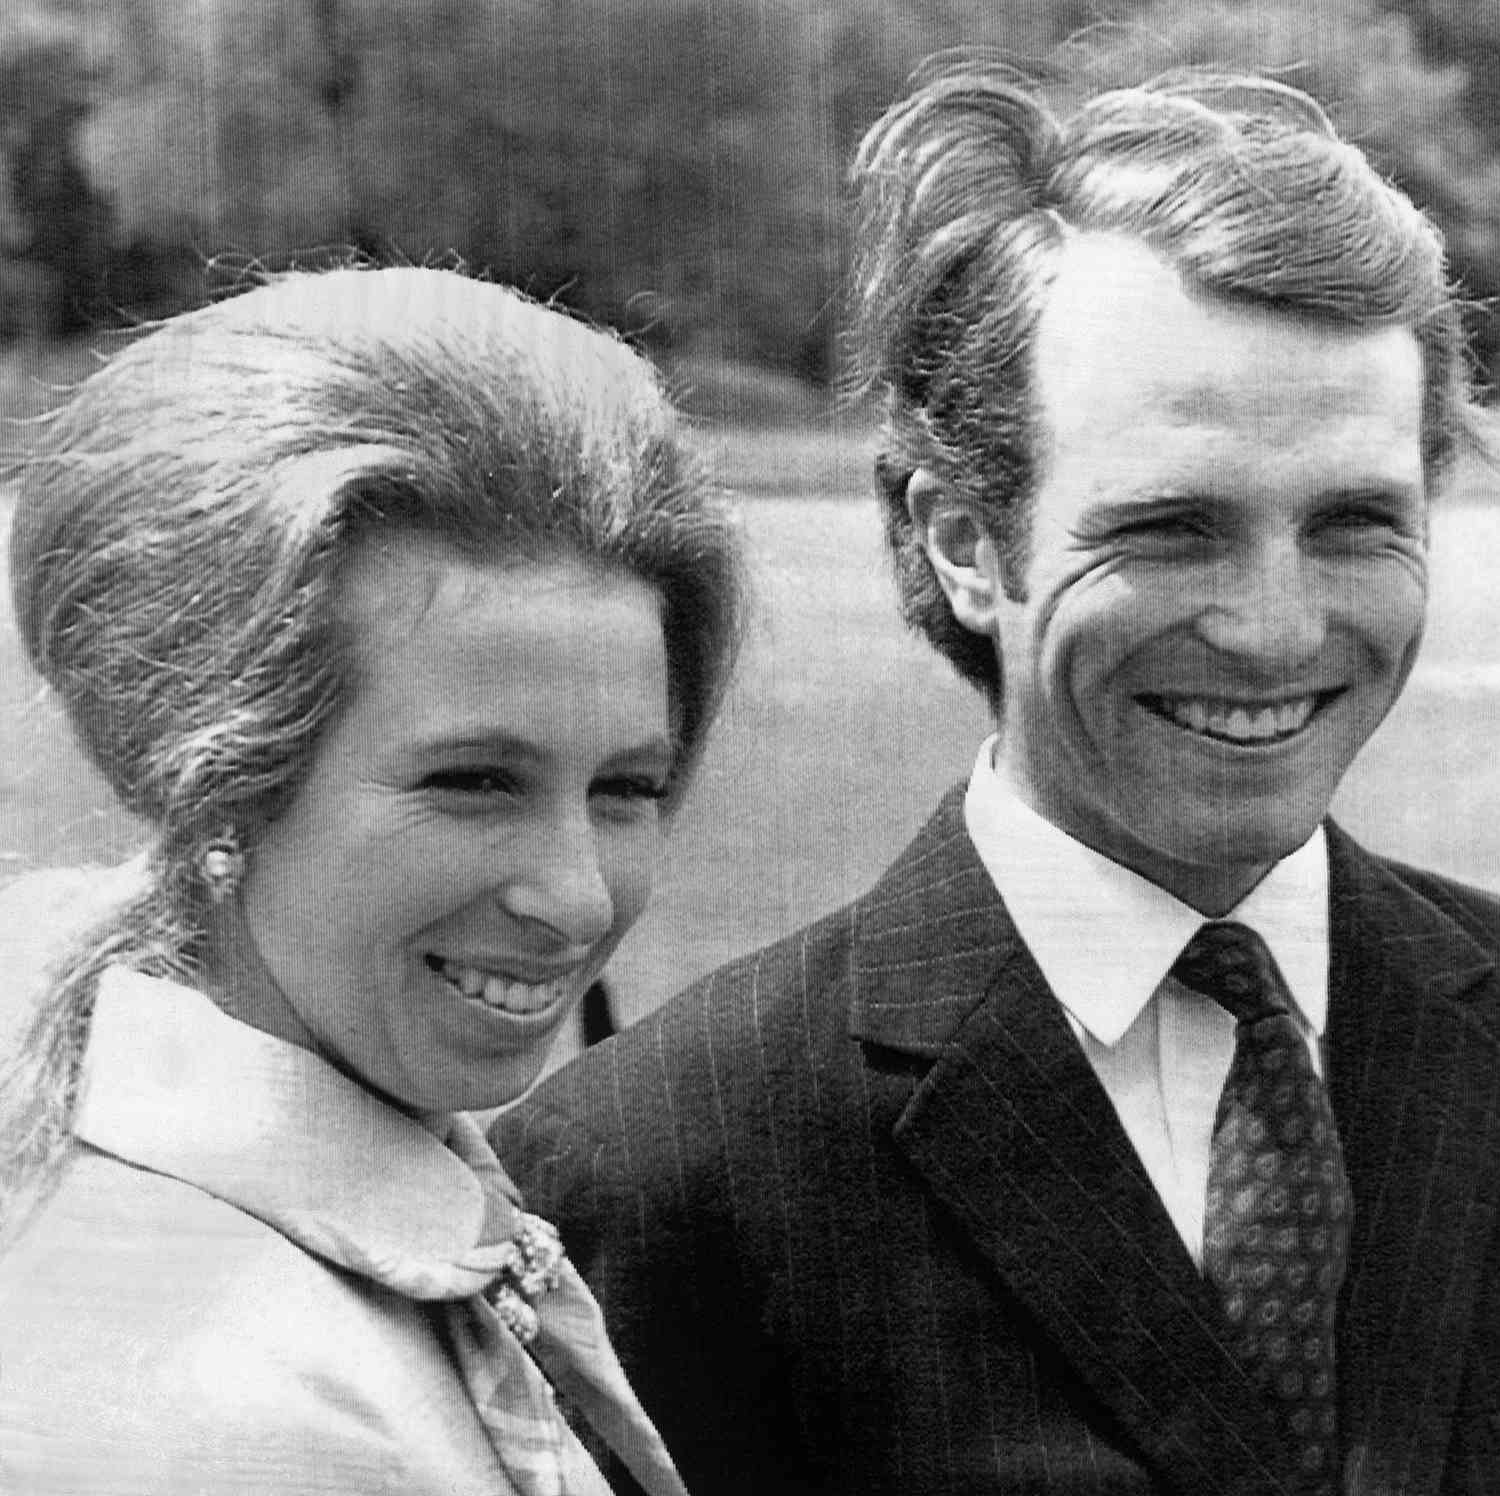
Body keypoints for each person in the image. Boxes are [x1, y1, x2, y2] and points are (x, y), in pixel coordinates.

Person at [495, 59, 1500, 1496]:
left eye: (1353, 524)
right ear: (965, 538)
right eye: (1171, 529)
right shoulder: (655, 1173)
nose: (1278, 628)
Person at [0, 266, 743, 1495]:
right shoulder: (220, 1413)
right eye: (474, 783)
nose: (577, 897)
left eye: (626, 788)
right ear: (219, 775)